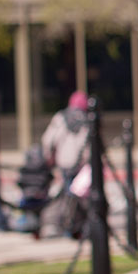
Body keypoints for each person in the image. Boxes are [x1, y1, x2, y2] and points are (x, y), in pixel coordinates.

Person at [39, 91, 90, 238]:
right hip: (81, 164)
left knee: (68, 194)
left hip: (65, 162)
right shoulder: (87, 119)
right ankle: (74, 225)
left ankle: (69, 226)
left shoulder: (61, 118)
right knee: (77, 195)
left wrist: (49, 157)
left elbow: (48, 139)